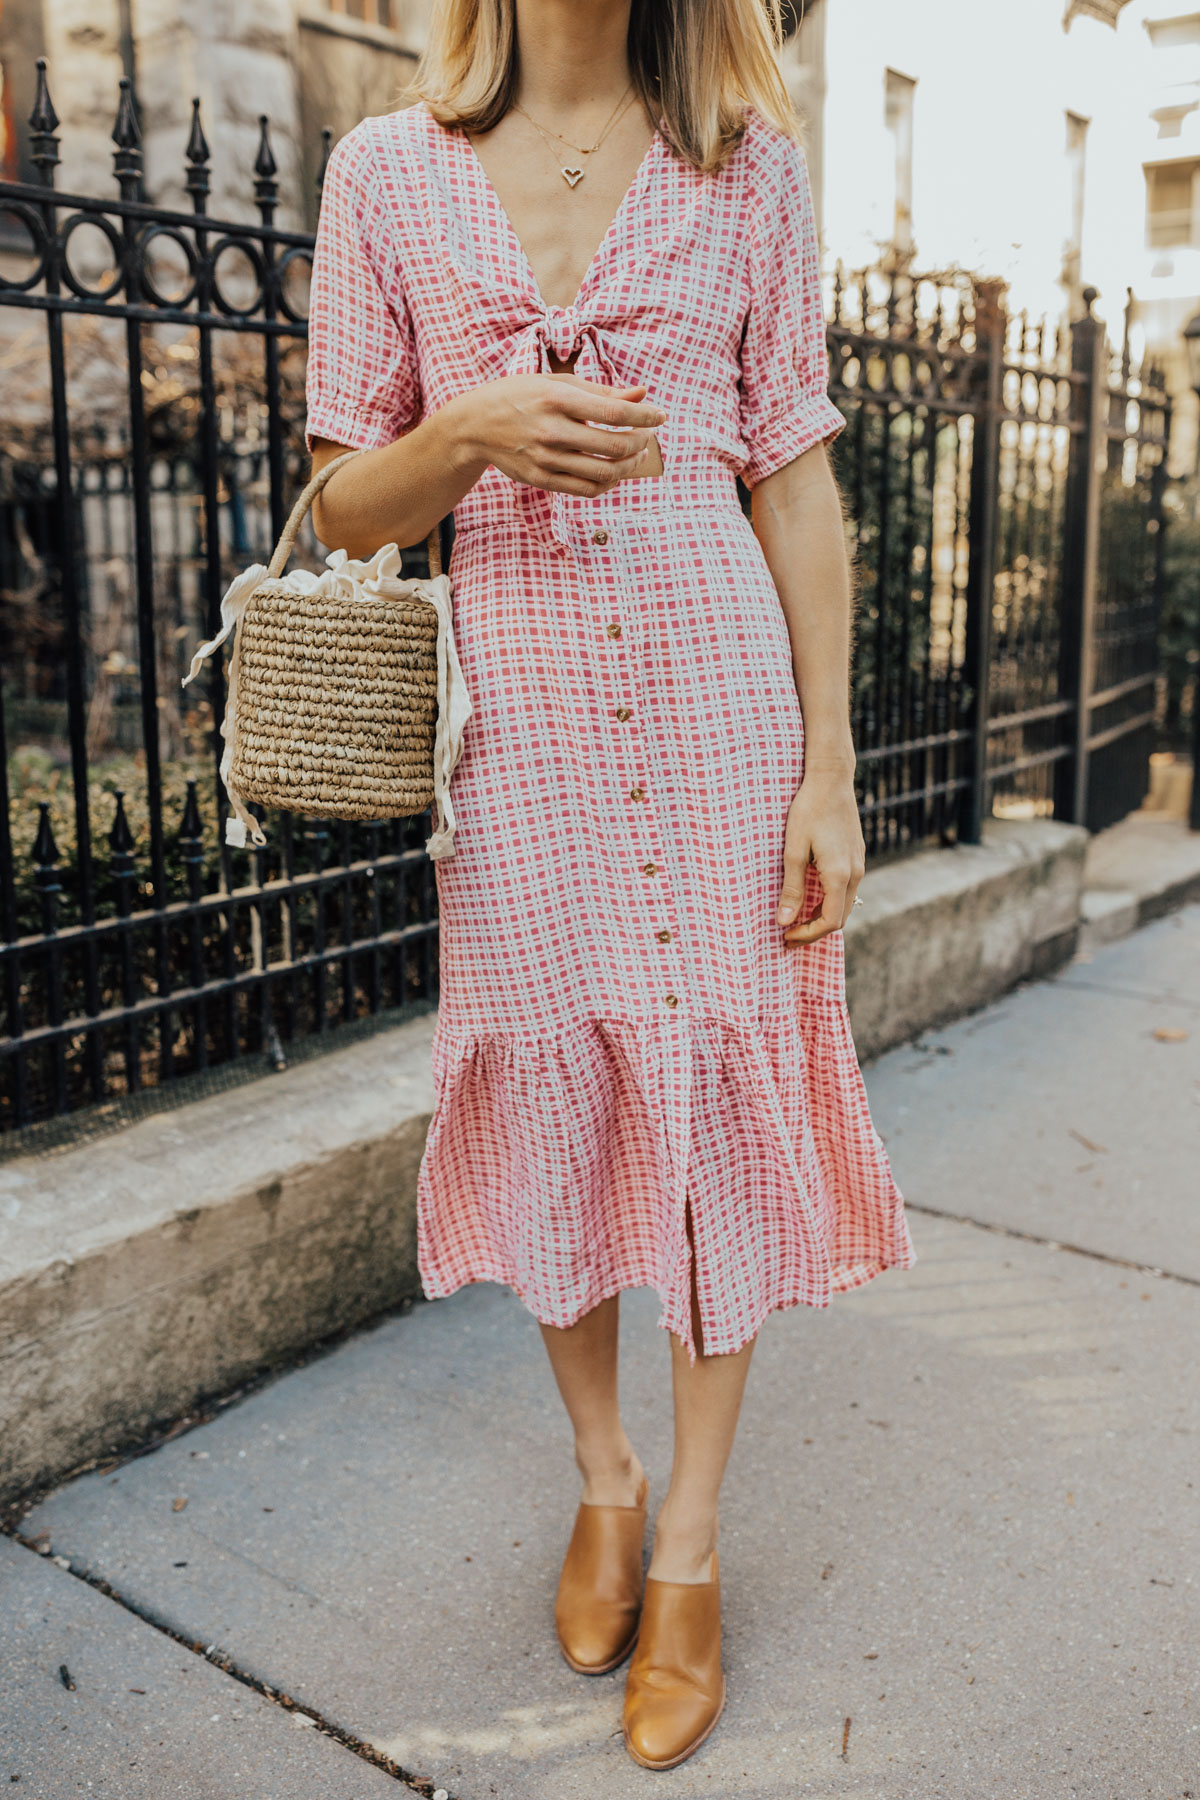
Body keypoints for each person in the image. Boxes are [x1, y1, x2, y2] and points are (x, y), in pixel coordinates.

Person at [304, 0, 917, 1771]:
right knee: (552, 1094)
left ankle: (698, 1556)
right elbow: (343, 504)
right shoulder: (384, 177)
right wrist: (475, 426)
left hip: (721, 715)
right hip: (515, 738)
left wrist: (829, 764)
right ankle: (605, 1481)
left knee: (713, 1099)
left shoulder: (750, 169)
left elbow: (793, 479)